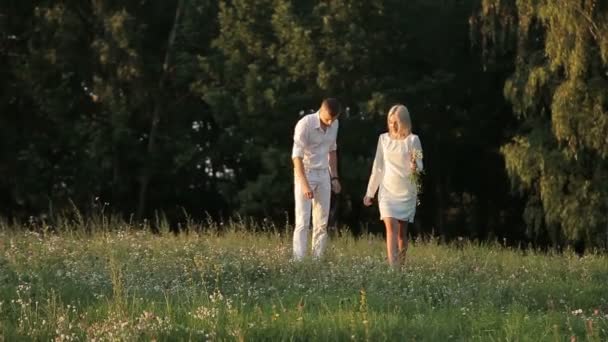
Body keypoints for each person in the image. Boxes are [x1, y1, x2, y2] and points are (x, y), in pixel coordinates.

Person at [363, 104, 423, 266]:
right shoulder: (383, 139)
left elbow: (420, 166)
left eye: (396, 122)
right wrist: (370, 192)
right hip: (387, 191)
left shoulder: (413, 140)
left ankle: (400, 267)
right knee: (390, 228)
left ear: (404, 122)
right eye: (390, 122)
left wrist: (414, 165)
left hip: (406, 191)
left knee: (402, 234)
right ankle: (393, 270)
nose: (393, 125)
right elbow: (378, 166)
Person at [292, 98, 342, 260]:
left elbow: (332, 150)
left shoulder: (335, 124)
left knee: (321, 222)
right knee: (303, 220)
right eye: (327, 119)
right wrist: (305, 185)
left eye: (333, 120)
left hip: (323, 175)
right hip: (305, 172)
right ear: (321, 110)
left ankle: (317, 260)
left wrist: (334, 177)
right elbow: (296, 157)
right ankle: (299, 260)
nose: (329, 123)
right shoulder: (305, 124)